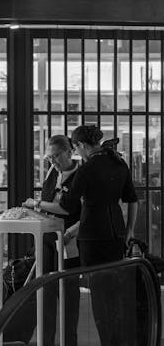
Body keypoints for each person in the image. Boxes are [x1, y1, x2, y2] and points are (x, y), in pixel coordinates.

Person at [32, 125, 138, 345]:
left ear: (79, 146)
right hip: (116, 234)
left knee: (97, 298)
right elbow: (132, 199)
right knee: (114, 297)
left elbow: (67, 207)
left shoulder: (87, 170)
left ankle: (105, 339)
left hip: (91, 236)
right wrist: (129, 230)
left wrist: (36, 204)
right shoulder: (119, 163)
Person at [22, 135, 81, 346]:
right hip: (47, 240)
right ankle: (45, 342)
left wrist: (36, 204)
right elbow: (48, 202)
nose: (54, 161)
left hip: (68, 242)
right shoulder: (52, 172)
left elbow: (68, 208)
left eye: (57, 156)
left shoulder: (81, 175)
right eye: (50, 157)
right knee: (45, 295)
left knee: (69, 297)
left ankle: (68, 341)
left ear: (70, 151)